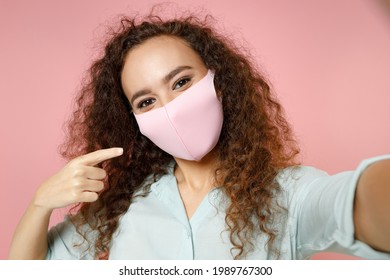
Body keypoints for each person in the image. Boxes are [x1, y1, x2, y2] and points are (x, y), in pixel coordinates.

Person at [8, 12, 390, 260]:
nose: (170, 108)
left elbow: (356, 203)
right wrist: (40, 203)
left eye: (181, 81)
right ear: (134, 121)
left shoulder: (289, 193)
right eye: (146, 101)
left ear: (218, 82)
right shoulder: (119, 211)